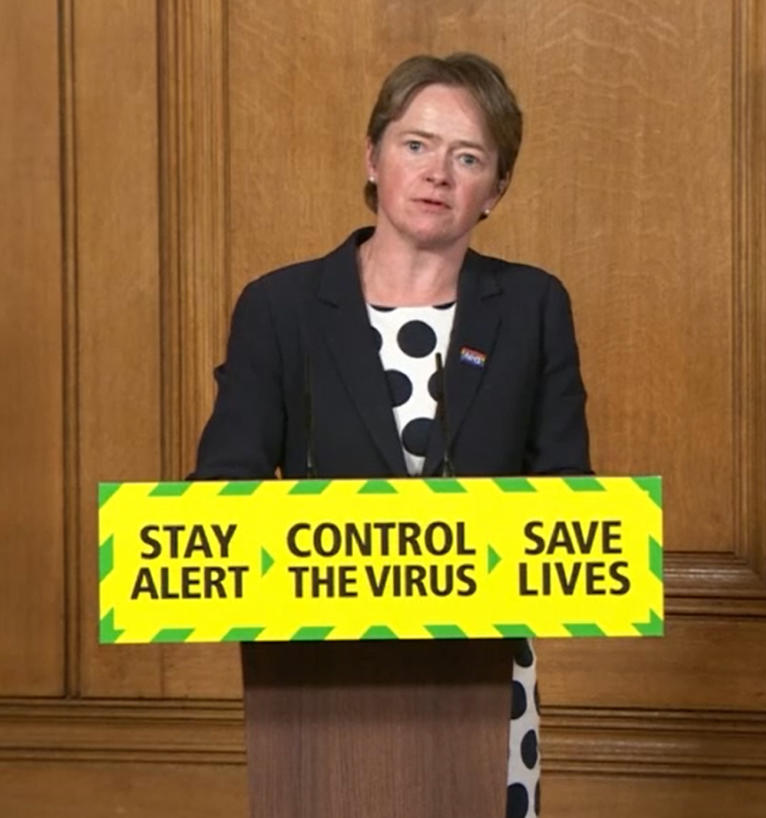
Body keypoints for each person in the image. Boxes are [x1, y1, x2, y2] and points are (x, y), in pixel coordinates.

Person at [189, 52, 590, 818]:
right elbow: (221, 492)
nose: (438, 172)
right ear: (372, 158)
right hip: (316, 687)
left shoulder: (534, 307)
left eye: (467, 157)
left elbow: (567, 495)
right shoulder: (281, 308)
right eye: (416, 144)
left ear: (495, 191)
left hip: (484, 675)